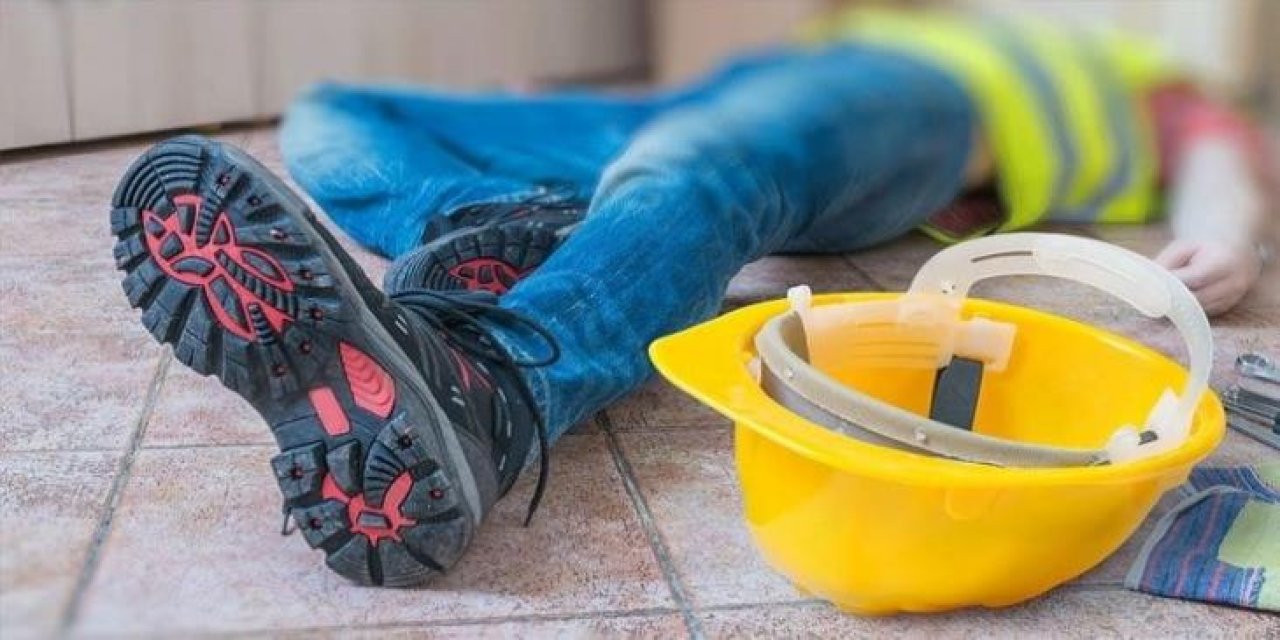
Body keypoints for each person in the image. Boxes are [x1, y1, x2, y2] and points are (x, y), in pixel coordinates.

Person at [108, 8, 1273, 586]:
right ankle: (503, 229)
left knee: (700, 165)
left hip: (920, 110)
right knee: (336, 117)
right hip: (714, 98)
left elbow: (1219, 148)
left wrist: (1224, 234)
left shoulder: (1124, 74)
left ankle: (492, 384)